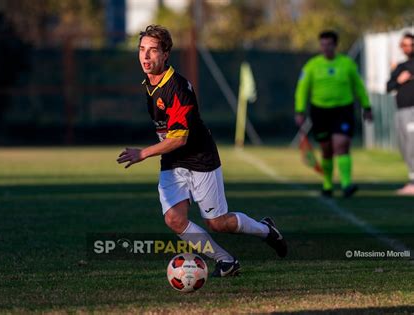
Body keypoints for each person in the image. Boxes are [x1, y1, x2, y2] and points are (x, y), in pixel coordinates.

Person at [117, 25, 287, 277]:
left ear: (166, 54)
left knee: (217, 223)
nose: (145, 56)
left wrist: (142, 154)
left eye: (153, 51)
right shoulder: (150, 83)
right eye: (142, 49)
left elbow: (179, 138)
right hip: (173, 161)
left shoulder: (177, 87)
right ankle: (226, 260)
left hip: (200, 158)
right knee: (174, 219)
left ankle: (265, 230)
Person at [295, 30, 372, 198]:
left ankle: (346, 185)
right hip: (320, 111)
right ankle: (327, 184)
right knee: (326, 149)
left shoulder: (347, 64)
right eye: (323, 44)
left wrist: (367, 106)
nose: (326, 48)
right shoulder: (312, 65)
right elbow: (302, 89)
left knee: (341, 144)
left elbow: (359, 86)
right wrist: (299, 110)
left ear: (335, 45)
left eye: (329, 44)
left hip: (342, 110)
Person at [387, 32, 414, 195]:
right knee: (404, 146)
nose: (408, 48)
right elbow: (388, 87)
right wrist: (399, 80)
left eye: (411, 45)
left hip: (413, 110)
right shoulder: (399, 67)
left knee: (412, 145)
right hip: (400, 111)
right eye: (405, 45)